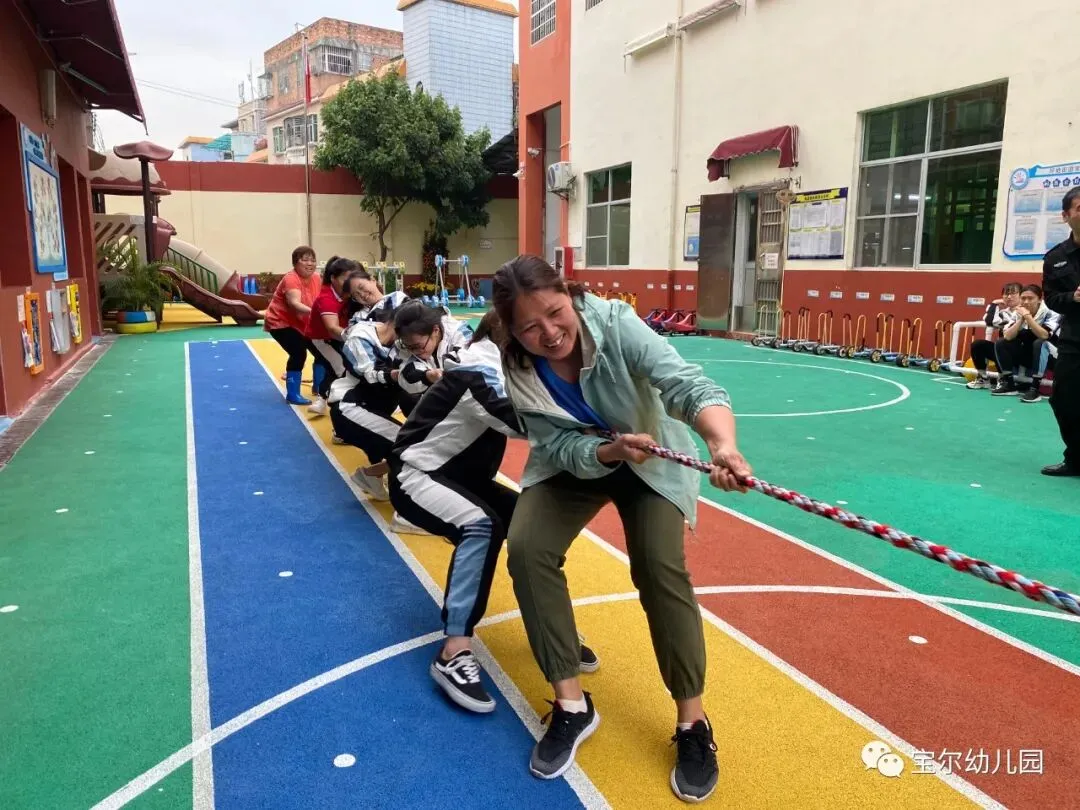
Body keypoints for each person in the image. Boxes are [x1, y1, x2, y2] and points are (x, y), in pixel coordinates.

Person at [491, 255, 751, 803]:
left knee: (658, 567)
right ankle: (571, 704)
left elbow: (685, 385)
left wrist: (722, 444)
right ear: (511, 330)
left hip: (651, 459)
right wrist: (608, 451)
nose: (549, 333)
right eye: (530, 327)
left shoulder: (614, 323)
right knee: (528, 548)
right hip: (577, 462)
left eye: (556, 313)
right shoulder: (516, 363)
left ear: (569, 295)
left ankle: (692, 722)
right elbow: (555, 443)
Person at [329, 307, 407, 500]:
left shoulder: (402, 343)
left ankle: (371, 477)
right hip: (350, 407)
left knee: (407, 444)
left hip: (373, 409)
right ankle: (404, 507)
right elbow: (371, 374)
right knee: (407, 448)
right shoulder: (362, 338)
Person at [1041, 187, 1080, 476]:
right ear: (1066, 216)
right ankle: (1076, 459)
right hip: (1074, 339)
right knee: (1064, 400)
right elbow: (1052, 298)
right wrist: (1073, 298)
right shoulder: (1055, 258)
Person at [306, 257, 364, 416]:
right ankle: (342, 411)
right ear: (333, 278)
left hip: (338, 337)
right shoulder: (326, 298)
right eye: (345, 278)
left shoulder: (351, 293)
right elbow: (332, 328)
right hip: (321, 339)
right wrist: (356, 336)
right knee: (343, 370)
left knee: (336, 368)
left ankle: (322, 398)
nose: (349, 282)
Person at [264, 246, 322, 405]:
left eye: (313, 260)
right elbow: (294, 303)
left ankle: (320, 388)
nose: (310, 263)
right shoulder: (291, 279)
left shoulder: (317, 278)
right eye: (305, 260)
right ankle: (292, 394)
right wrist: (316, 313)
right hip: (280, 323)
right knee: (298, 352)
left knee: (321, 351)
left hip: (302, 322)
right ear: (296, 263)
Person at [392, 301, 474, 411]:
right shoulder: (405, 344)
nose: (414, 352)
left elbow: (468, 367)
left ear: (435, 330)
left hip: (470, 398)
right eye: (409, 347)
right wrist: (427, 376)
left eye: (418, 346)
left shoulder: (461, 334)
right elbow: (405, 376)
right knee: (408, 398)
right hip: (440, 395)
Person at [991, 284, 1060, 402]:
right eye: (1023, 298)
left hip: (1053, 356)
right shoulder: (1018, 312)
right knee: (1001, 343)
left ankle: (1035, 389)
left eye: (1030, 298)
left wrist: (1028, 317)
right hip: (1030, 356)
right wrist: (1021, 318)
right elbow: (1007, 336)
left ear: (1039, 299)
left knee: (1040, 343)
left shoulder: (1051, 312)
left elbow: (1044, 335)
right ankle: (1009, 385)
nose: (1026, 302)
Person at [966, 282, 1022, 390]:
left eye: (1013, 293)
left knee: (1002, 345)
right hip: (1002, 350)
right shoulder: (1003, 313)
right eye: (1006, 294)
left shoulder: (1024, 311)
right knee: (978, 345)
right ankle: (983, 378)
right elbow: (989, 321)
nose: (1009, 297)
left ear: (1021, 295)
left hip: (1020, 352)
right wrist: (994, 303)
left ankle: (1003, 379)